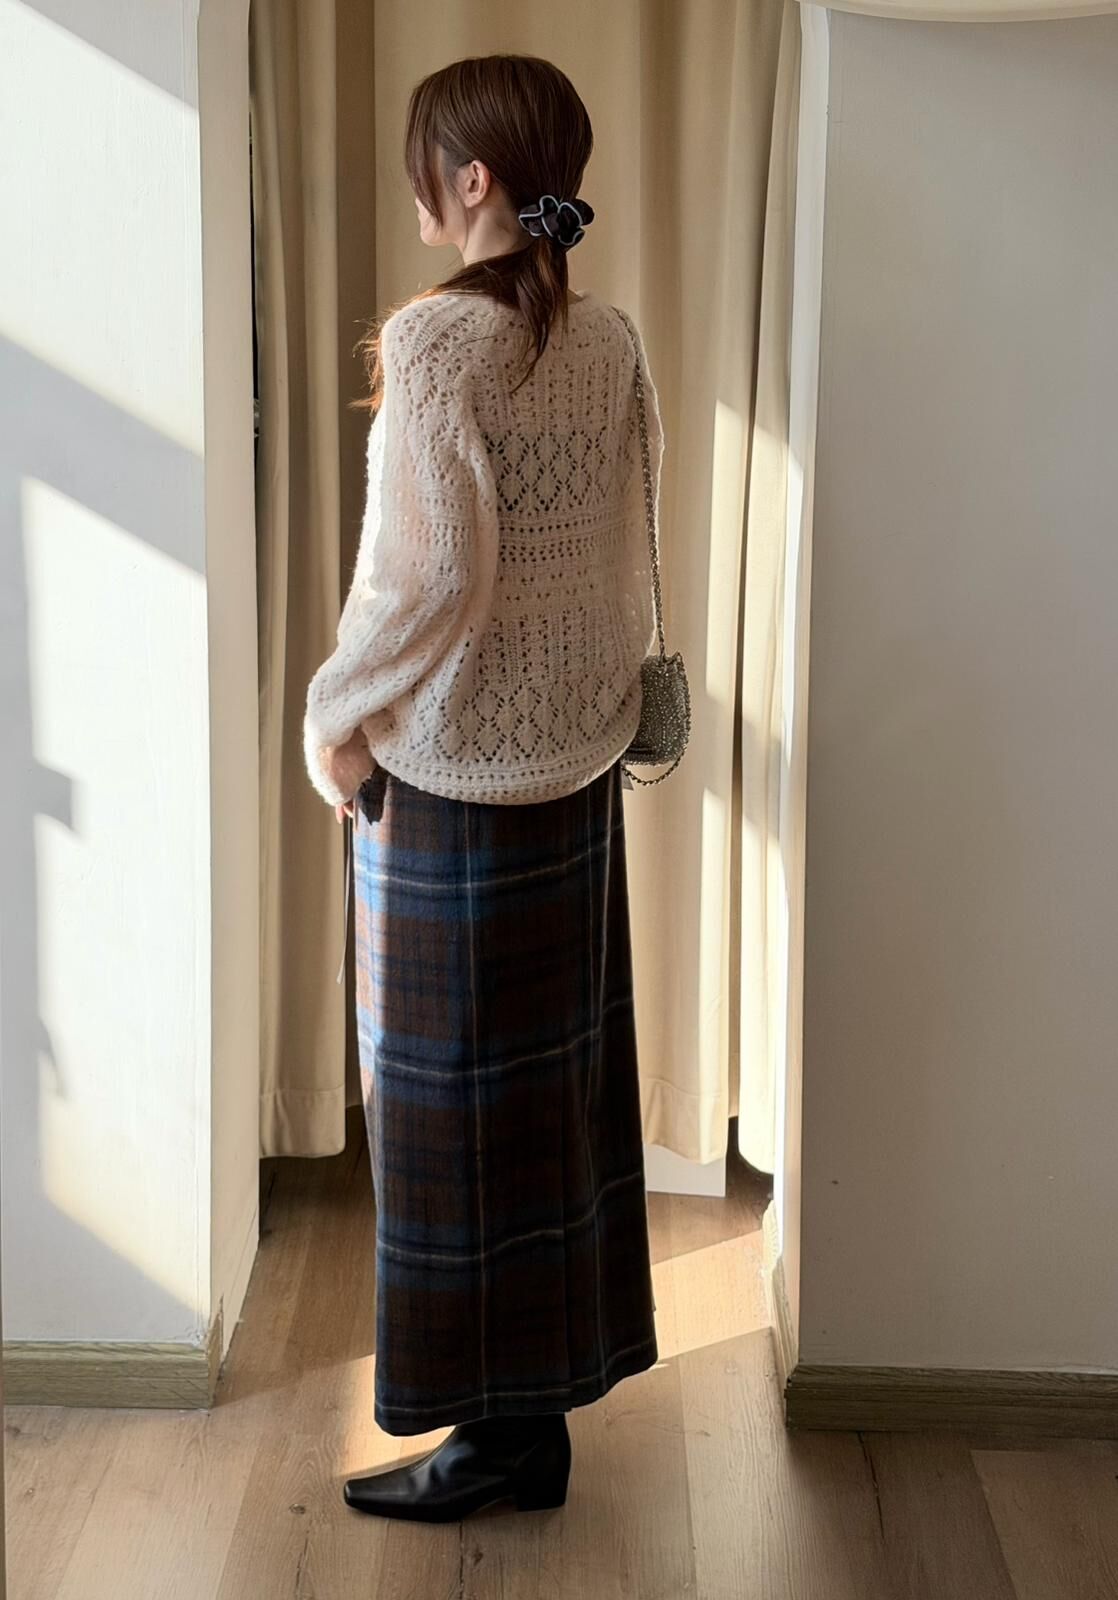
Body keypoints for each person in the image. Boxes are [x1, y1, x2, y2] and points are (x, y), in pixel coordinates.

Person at [302, 52, 664, 1524]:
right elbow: (627, 545)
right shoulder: (607, 336)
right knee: (547, 1108)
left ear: (471, 180)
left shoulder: (437, 342)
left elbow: (430, 577)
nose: (417, 188)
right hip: (570, 776)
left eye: (427, 163)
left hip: (451, 784)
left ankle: (494, 1446)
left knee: (446, 1119)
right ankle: (533, 1427)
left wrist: (334, 715)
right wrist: (592, 703)